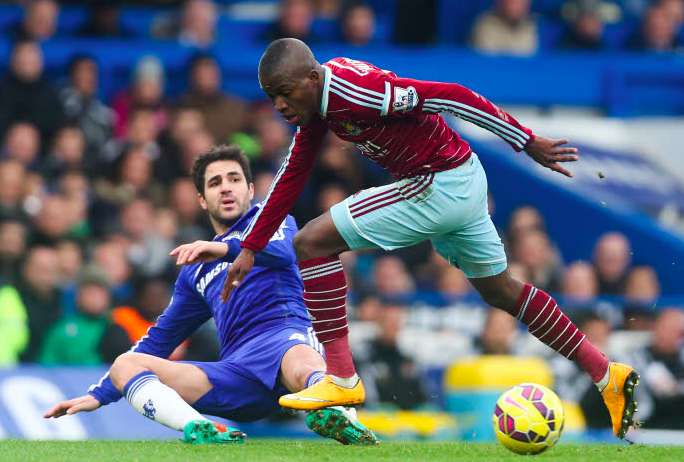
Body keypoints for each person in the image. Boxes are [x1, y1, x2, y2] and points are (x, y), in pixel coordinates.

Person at [224, 38, 639, 440]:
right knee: (502, 291)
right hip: (461, 178)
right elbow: (294, 171)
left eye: (283, 92)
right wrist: (252, 244)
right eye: (270, 96)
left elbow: (451, 95)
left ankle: (342, 377)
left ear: (312, 78)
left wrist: (524, 140)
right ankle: (606, 374)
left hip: (438, 183)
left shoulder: (356, 91)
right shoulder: (320, 106)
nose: (278, 105)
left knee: (311, 242)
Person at [44, 145, 377, 445]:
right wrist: (100, 396)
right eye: (215, 183)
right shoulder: (195, 271)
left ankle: (339, 420)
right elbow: (162, 337)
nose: (226, 187)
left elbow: (284, 253)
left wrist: (224, 248)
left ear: (250, 189)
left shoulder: (273, 221)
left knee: (301, 359)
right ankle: (201, 430)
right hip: (236, 372)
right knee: (126, 363)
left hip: (286, 341)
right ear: (202, 200)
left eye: (233, 179)